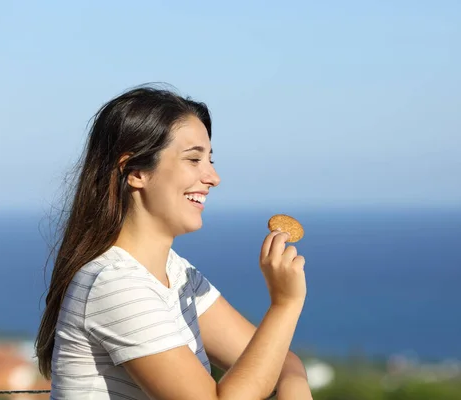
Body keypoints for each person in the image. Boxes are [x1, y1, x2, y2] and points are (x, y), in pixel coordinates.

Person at [34, 85, 312, 399]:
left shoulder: (178, 275)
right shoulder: (113, 284)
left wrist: (293, 382)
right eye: (194, 160)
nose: (213, 177)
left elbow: (284, 363)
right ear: (135, 171)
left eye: (210, 160)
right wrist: (285, 305)